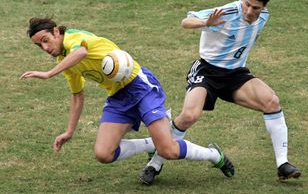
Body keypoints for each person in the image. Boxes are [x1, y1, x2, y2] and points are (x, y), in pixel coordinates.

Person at [20, 17, 235, 183]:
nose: (46, 48)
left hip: (141, 87)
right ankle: (151, 143)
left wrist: (48, 73)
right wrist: (69, 131)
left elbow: (82, 52)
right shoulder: (64, 61)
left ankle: (214, 155)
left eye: (46, 40)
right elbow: (77, 95)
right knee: (103, 154)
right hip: (118, 96)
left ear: (56, 31)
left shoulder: (74, 38)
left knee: (168, 151)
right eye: (40, 46)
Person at [139, 0, 301, 184]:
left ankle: (283, 164)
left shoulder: (264, 16)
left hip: (235, 74)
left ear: (264, 7)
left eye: (256, 8)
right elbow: (185, 21)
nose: (250, 11)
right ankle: (155, 164)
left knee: (272, 101)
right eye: (247, 5)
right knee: (189, 115)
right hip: (207, 71)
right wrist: (205, 22)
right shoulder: (226, 13)